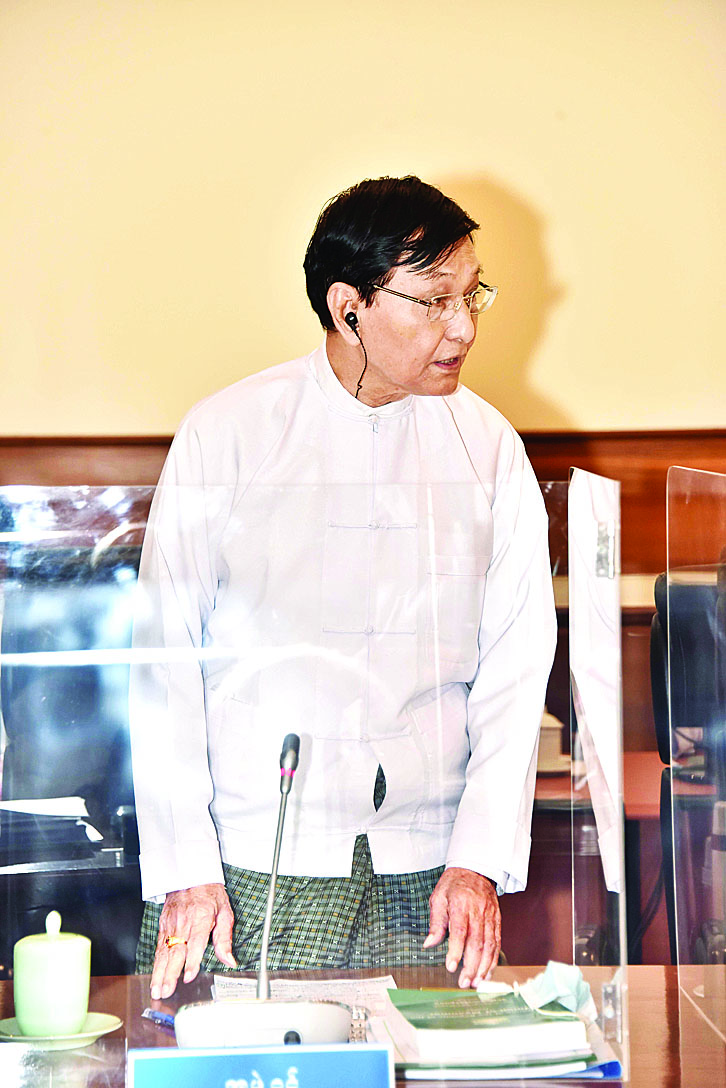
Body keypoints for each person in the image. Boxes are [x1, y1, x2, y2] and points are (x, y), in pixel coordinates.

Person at [129, 175, 556, 1001]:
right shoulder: (230, 433)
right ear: (348, 305)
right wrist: (186, 866)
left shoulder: (488, 446)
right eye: (434, 301)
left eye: (471, 296)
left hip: (430, 872)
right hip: (249, 868)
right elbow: (163, 661)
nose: (463, 328)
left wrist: (477, 859)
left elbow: (514, 669)